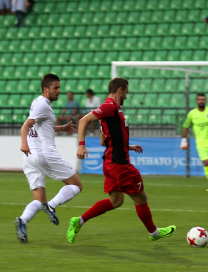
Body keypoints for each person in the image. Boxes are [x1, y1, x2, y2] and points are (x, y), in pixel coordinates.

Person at [67, 77, 177, 244]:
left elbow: (104, 141)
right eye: (126, 92)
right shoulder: (109, 106)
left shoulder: (112, 110)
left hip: (110, 162)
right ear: (120, 90)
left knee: (116, 201)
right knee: (141, 198)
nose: (126, 96)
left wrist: (127, 146)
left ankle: (79, 221)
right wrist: (81, 145)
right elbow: (83, 120)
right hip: (120, 164)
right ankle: (154, 233)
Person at [16, 73, 83, 244]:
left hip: (30, 159)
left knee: (38, 200)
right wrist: (23, 143)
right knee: (76, 185)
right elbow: (26, 125)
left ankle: (22, 221)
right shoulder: (43, 105)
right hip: (43, 154)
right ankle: (52, 206)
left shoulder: (38, 103)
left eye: (59, 87)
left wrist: (62, 127)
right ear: (46, 89)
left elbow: (43, 126)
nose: (59, 91)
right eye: (56, 88)